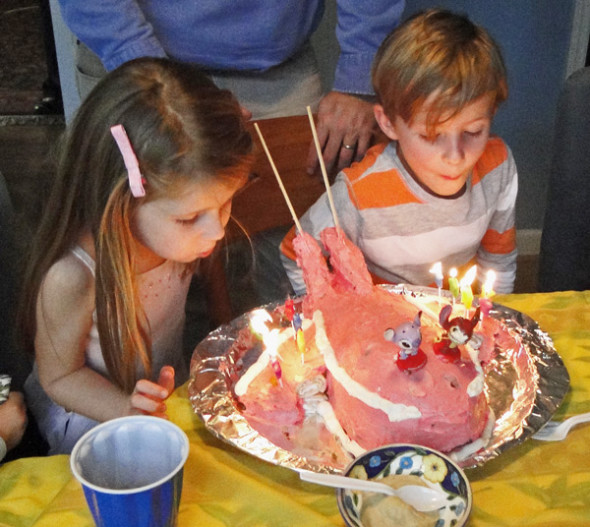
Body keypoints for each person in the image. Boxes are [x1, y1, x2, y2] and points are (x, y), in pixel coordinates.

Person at [18, 57, 254, 455]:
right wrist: (125, 408)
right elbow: (59, 378)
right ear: (121, 202)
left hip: (163, 400)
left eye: (226, 203)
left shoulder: (175, 236)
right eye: (189, 217)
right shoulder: (73, 276)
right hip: (96, 418)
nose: (217, 231)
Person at [280, 9, 518, 296]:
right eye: (431, 135)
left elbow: (499, 261)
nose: (456, 156)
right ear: (388, 123)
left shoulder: (497, 167)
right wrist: (331, 312)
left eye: (473, 132)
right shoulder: (358, 193)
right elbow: (294, 252)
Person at [56, 0, 405, 175]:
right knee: (143, 271)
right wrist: (159, 85)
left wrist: (362, 73)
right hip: (133, 65)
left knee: (286, 272)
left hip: (278, 74)